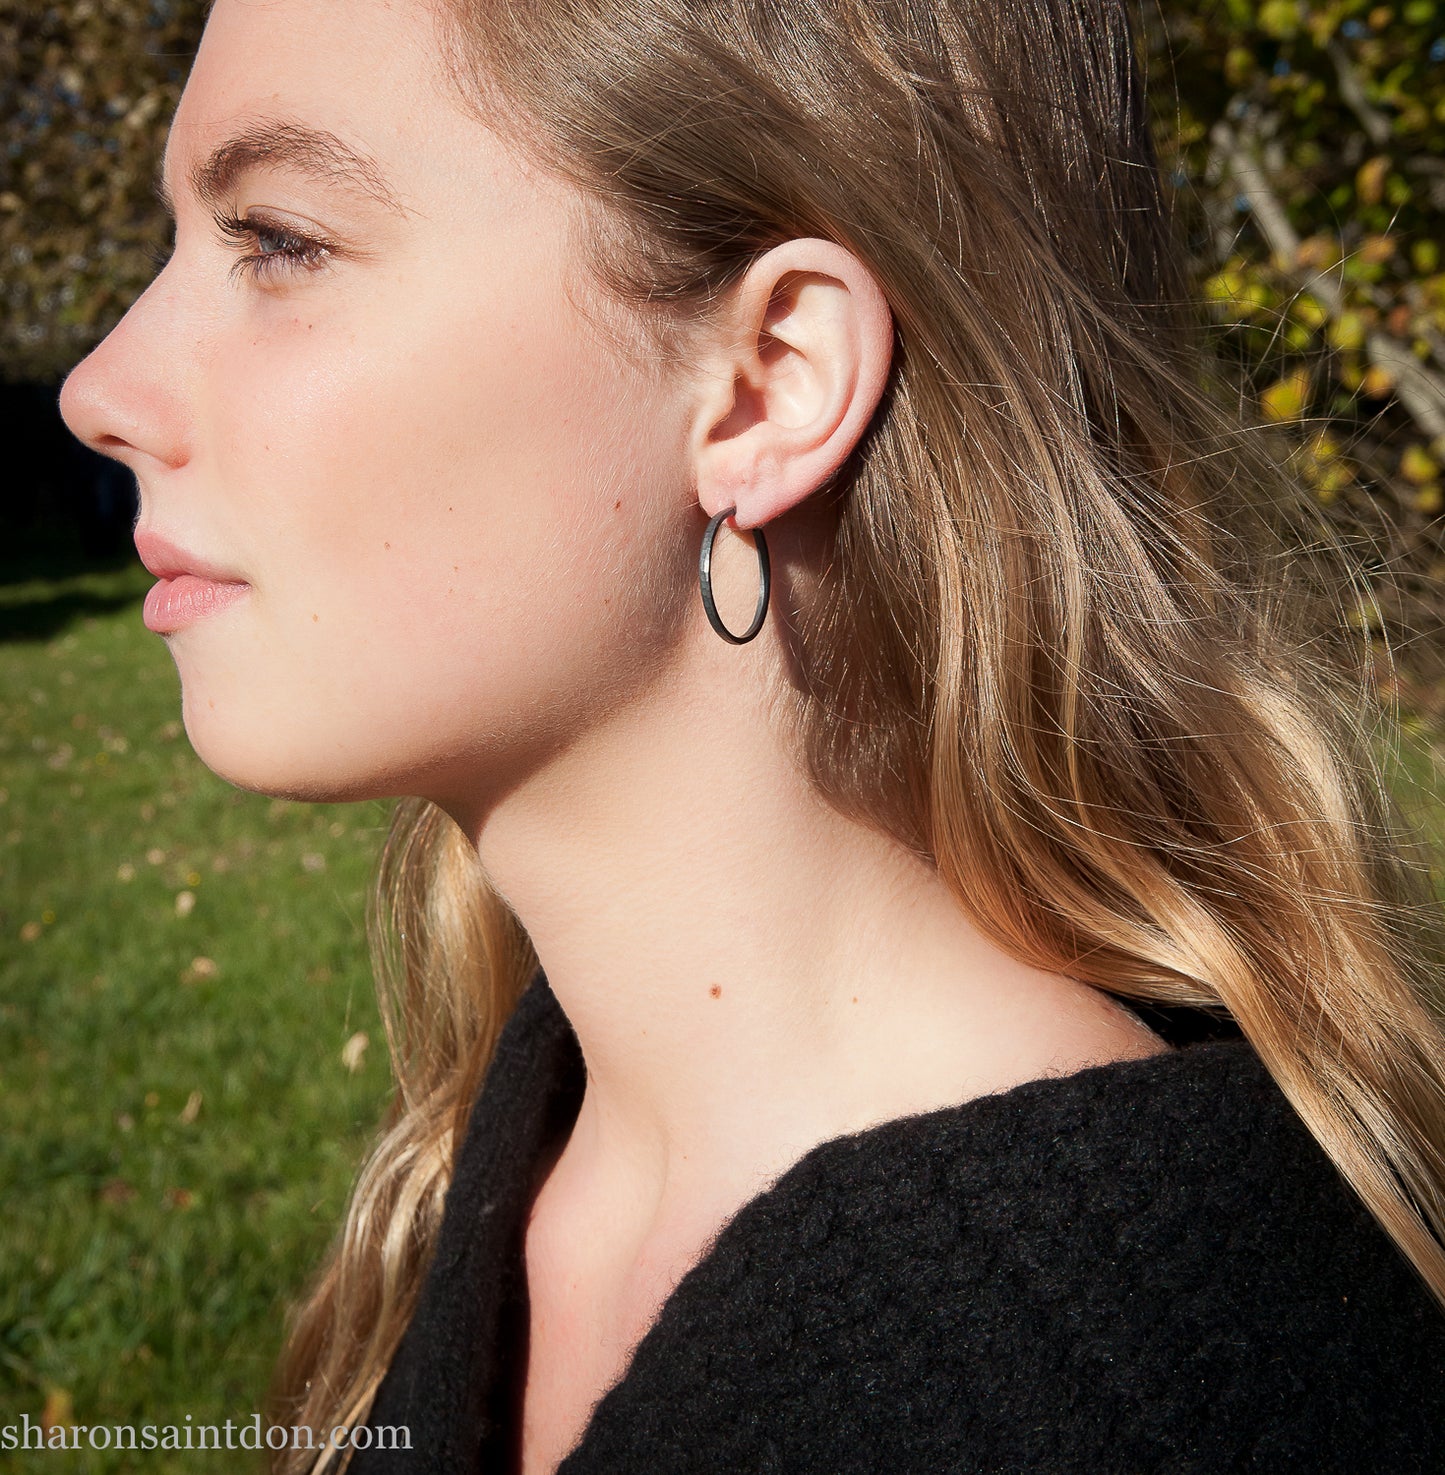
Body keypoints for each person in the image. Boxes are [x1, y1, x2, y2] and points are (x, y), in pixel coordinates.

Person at [57, 0, 1445, 1470]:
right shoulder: (540, 1139)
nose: (100, 390)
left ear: (769, 381)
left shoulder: (1083, 1390)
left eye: (279, 241)